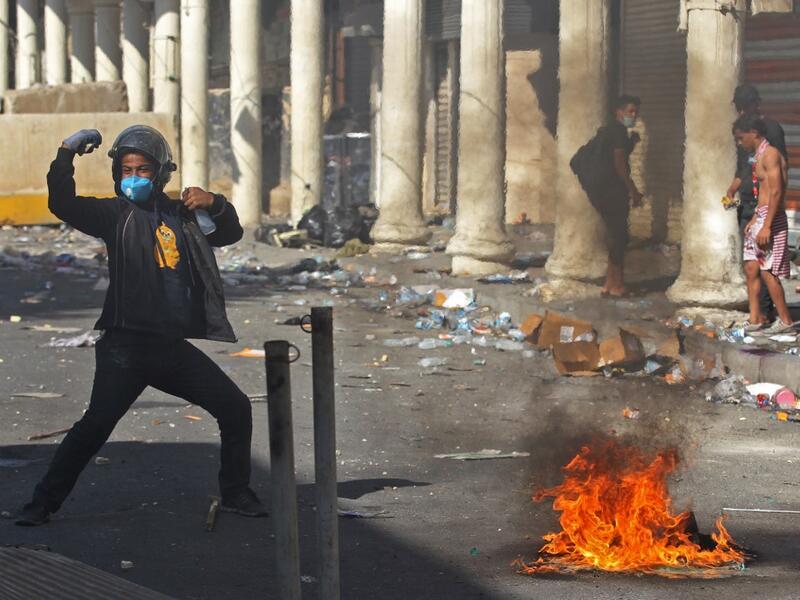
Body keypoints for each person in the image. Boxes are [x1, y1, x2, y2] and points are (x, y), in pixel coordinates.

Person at [16, 126, 267, 526]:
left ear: (162, 174)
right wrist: (66, 153)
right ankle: (41, 504)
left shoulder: (183, 215)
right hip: (125, 348)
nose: (133, 177)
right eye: (126, 169)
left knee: (235, 408)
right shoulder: (113, 215)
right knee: (94, 427)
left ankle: (236, 492)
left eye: (143, 170)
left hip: (169, 349)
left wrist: (216, 202)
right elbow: (61, 202)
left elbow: (229, 234)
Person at [726, 84, 788, 321]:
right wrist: (733, 187)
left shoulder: (770, 133)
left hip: (765, 208)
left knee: (766, 267)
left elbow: (779, 175)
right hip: (749, 205)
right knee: (751, 264)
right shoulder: (744, 133)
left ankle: (770, 312)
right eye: (738, 108)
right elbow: (746, 165)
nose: (741, 112)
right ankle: (756, 314)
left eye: (745, 107)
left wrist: (769, 218)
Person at [734, 115, 794, 334]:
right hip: (760, 215)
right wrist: (755, 218)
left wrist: (767, 225)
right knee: (751, 267)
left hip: (771, 217)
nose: (740, 143)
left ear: (753, 133)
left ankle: (786, 322)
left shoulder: (770, 155)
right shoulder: (757, 157)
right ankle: (755, 318)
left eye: (741, 138)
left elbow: (776, 191)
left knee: (768, 271)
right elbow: (764, 192)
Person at [593, 95, 644, 297]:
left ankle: (608, 283)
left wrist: (631, 143)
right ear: (619, 112)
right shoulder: (619, 131)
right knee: (620, 238)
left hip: (603, 189)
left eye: (636, 112)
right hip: (614, 190)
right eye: (630, 111)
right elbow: (620, 165)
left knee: (614, 237)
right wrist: (633, 191)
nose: (634, 115)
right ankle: (618, 285)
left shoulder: (609, 131)